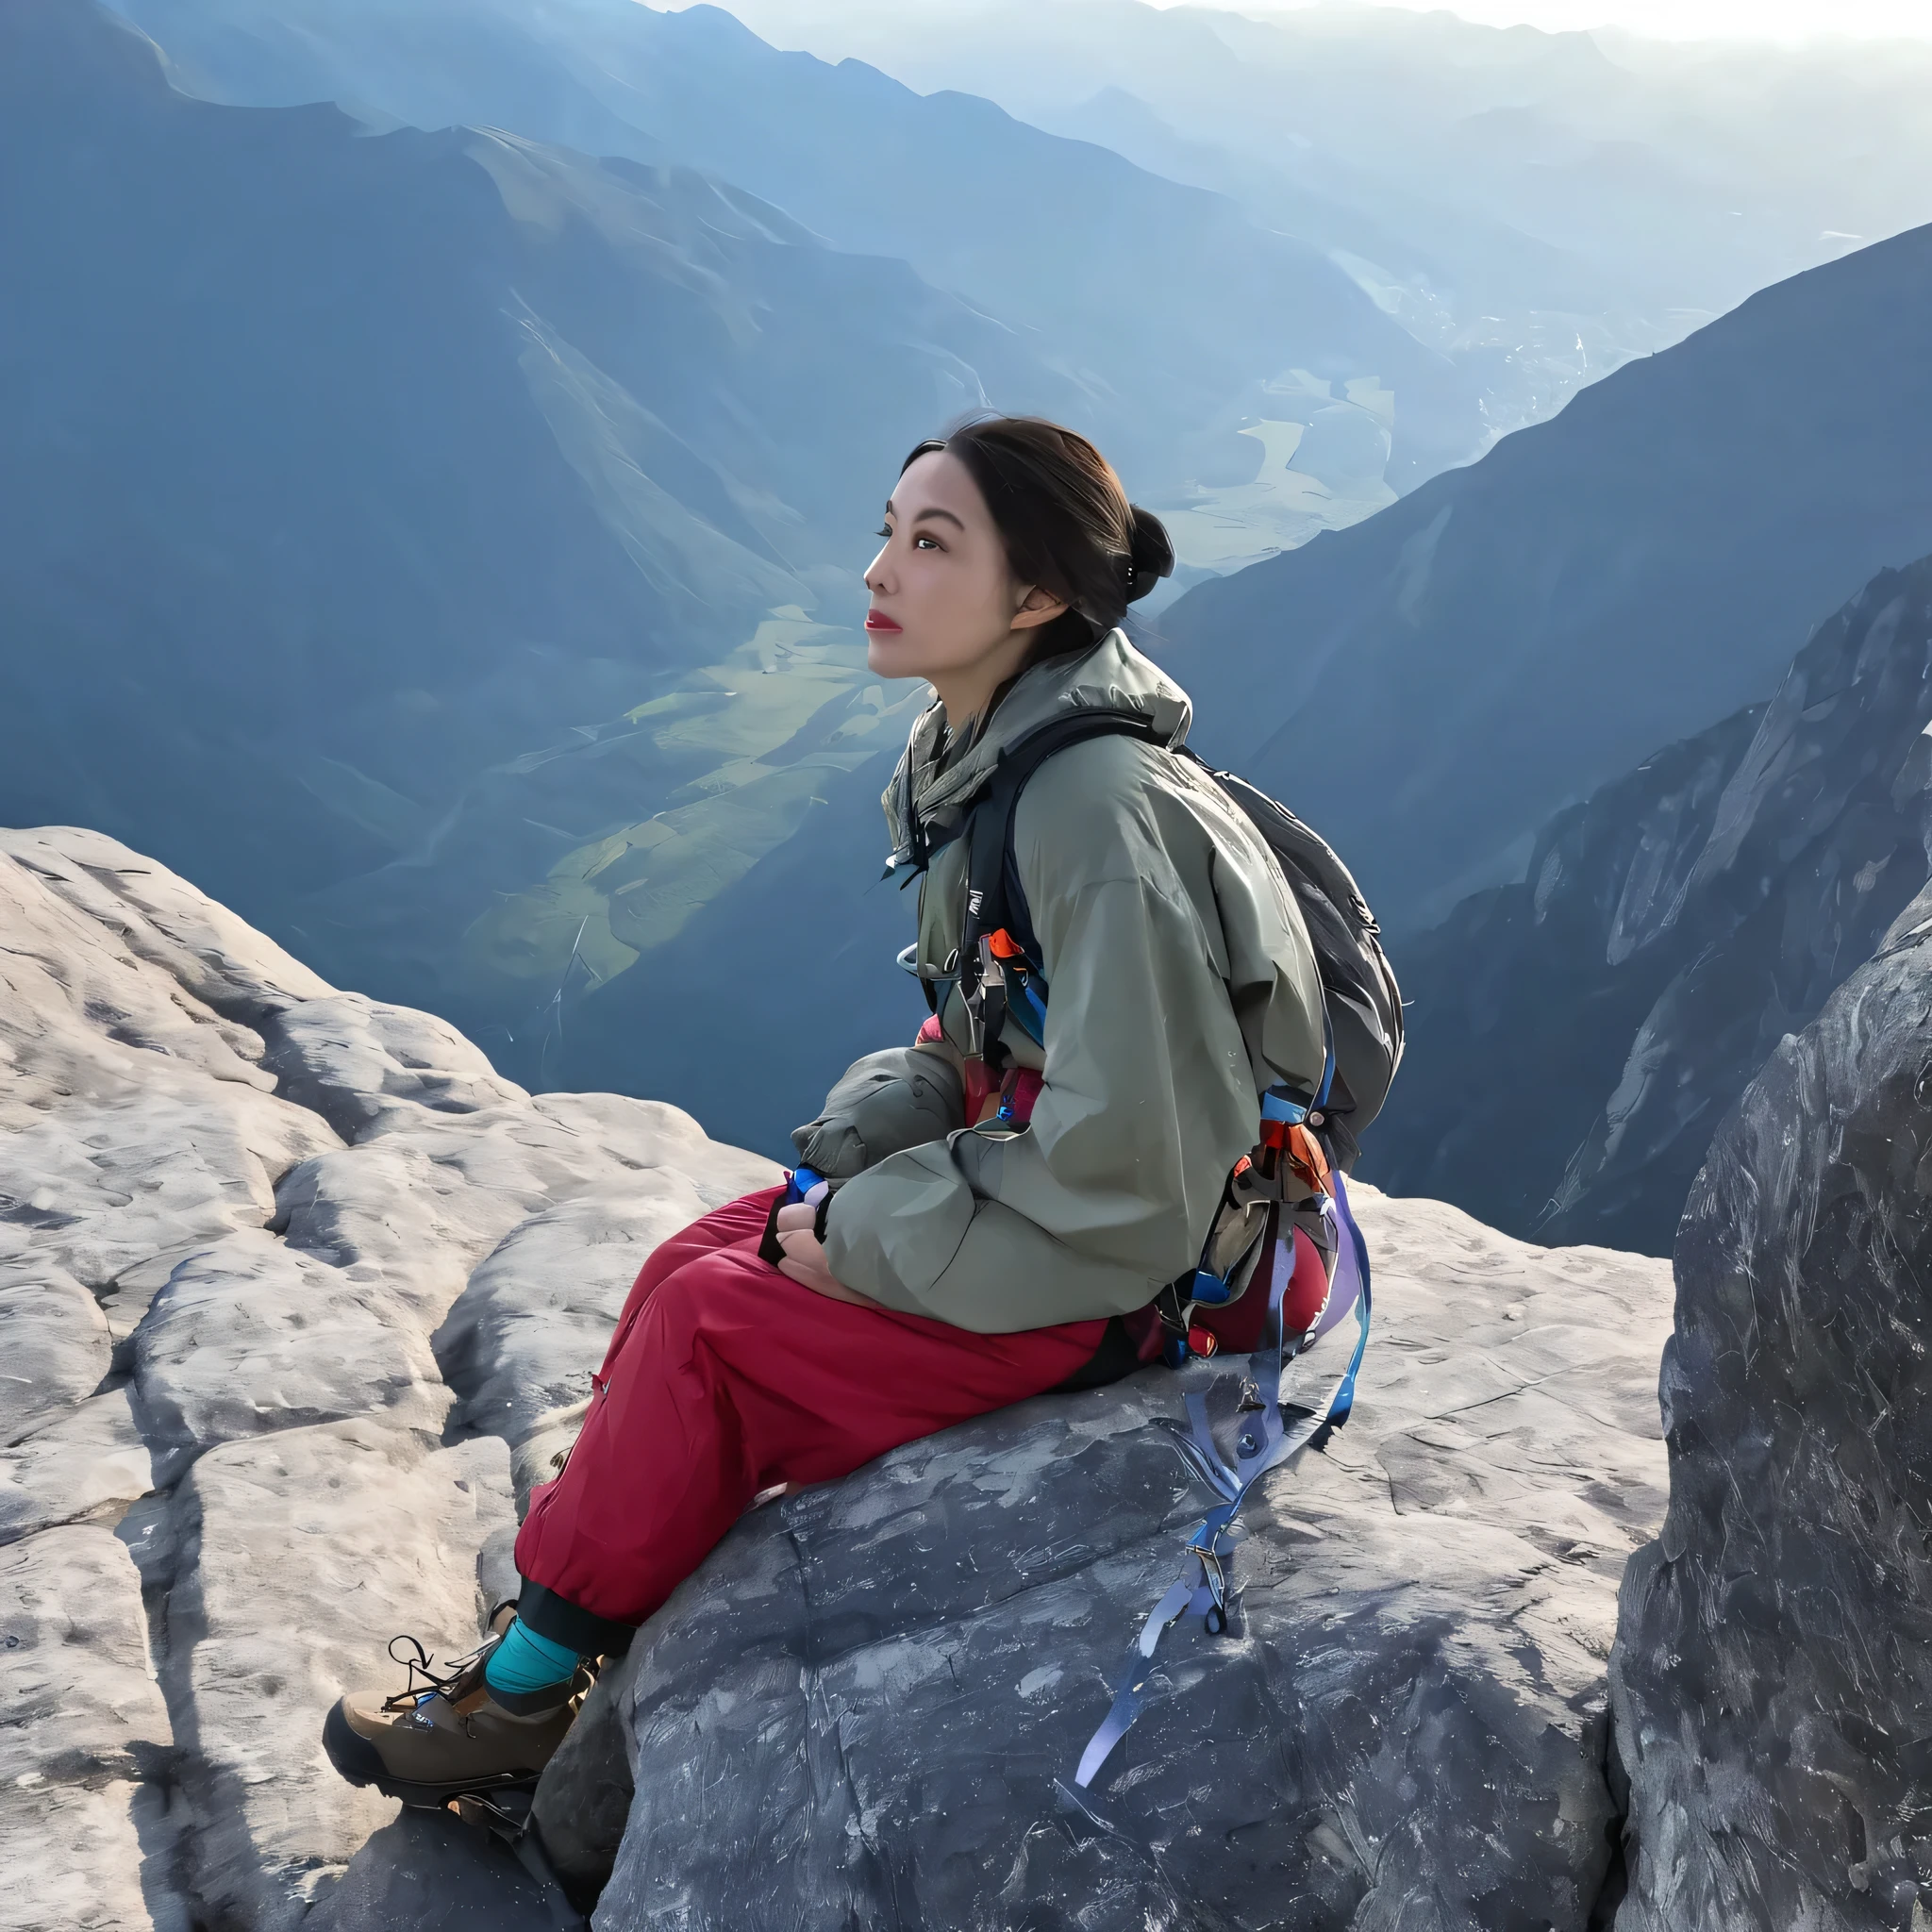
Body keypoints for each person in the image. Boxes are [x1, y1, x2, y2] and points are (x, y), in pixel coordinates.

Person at [322, 417, 1327, 1807]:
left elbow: (1136, 1170)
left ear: (1035, 600)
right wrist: (875, 1139)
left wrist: (859, 1233)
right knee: (696, 1258)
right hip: (1063, 1204)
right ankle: (602, 1558)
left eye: (932, 543)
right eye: (890, 529)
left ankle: (522, 1698)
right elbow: (996, 1030)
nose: (880, 569)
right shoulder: (994, 752)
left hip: (1171, 1280)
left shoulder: (1090, 813)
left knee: (711, 1331)